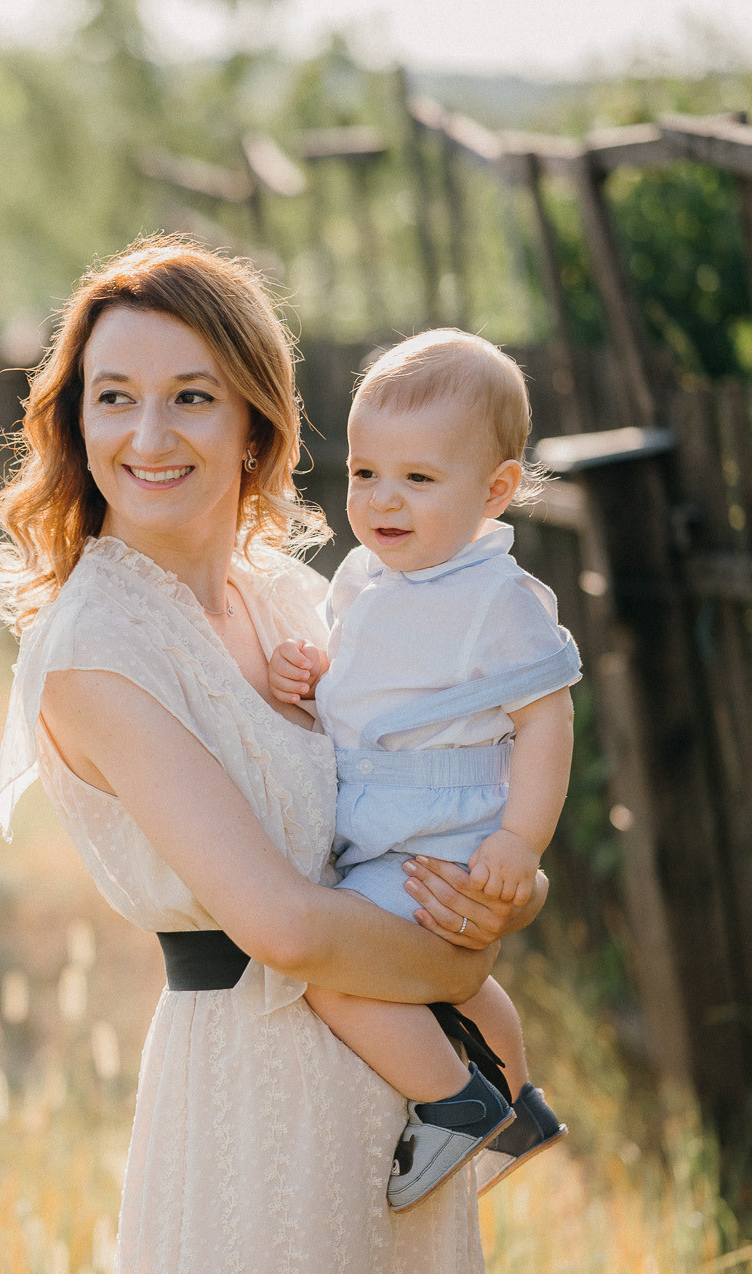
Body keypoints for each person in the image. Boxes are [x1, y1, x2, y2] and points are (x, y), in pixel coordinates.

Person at [0, 237, 546, 1274]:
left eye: (190, 396)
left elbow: (448, 783)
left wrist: (509, 891)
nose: (149, 436)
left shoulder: (300, 598)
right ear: (76, 423)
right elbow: (280, 921)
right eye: (114, 398)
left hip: (401, 1103)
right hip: (253, 1093)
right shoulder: (95, 647)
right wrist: (465, 972)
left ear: (253, 418)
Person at [268, 330, 577, 1215]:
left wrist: (522, 839)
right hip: (385, 820)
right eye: (366, 473)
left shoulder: (497, 599)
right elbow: (379, 690)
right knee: (466, 981)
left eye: (419, 479)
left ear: (496, 490)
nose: (382, 500)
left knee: (329, 969)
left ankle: (454, 1099)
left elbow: (546, 719)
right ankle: (518, 1105)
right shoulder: (366, 575)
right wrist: (319, 678)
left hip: (437, 834)